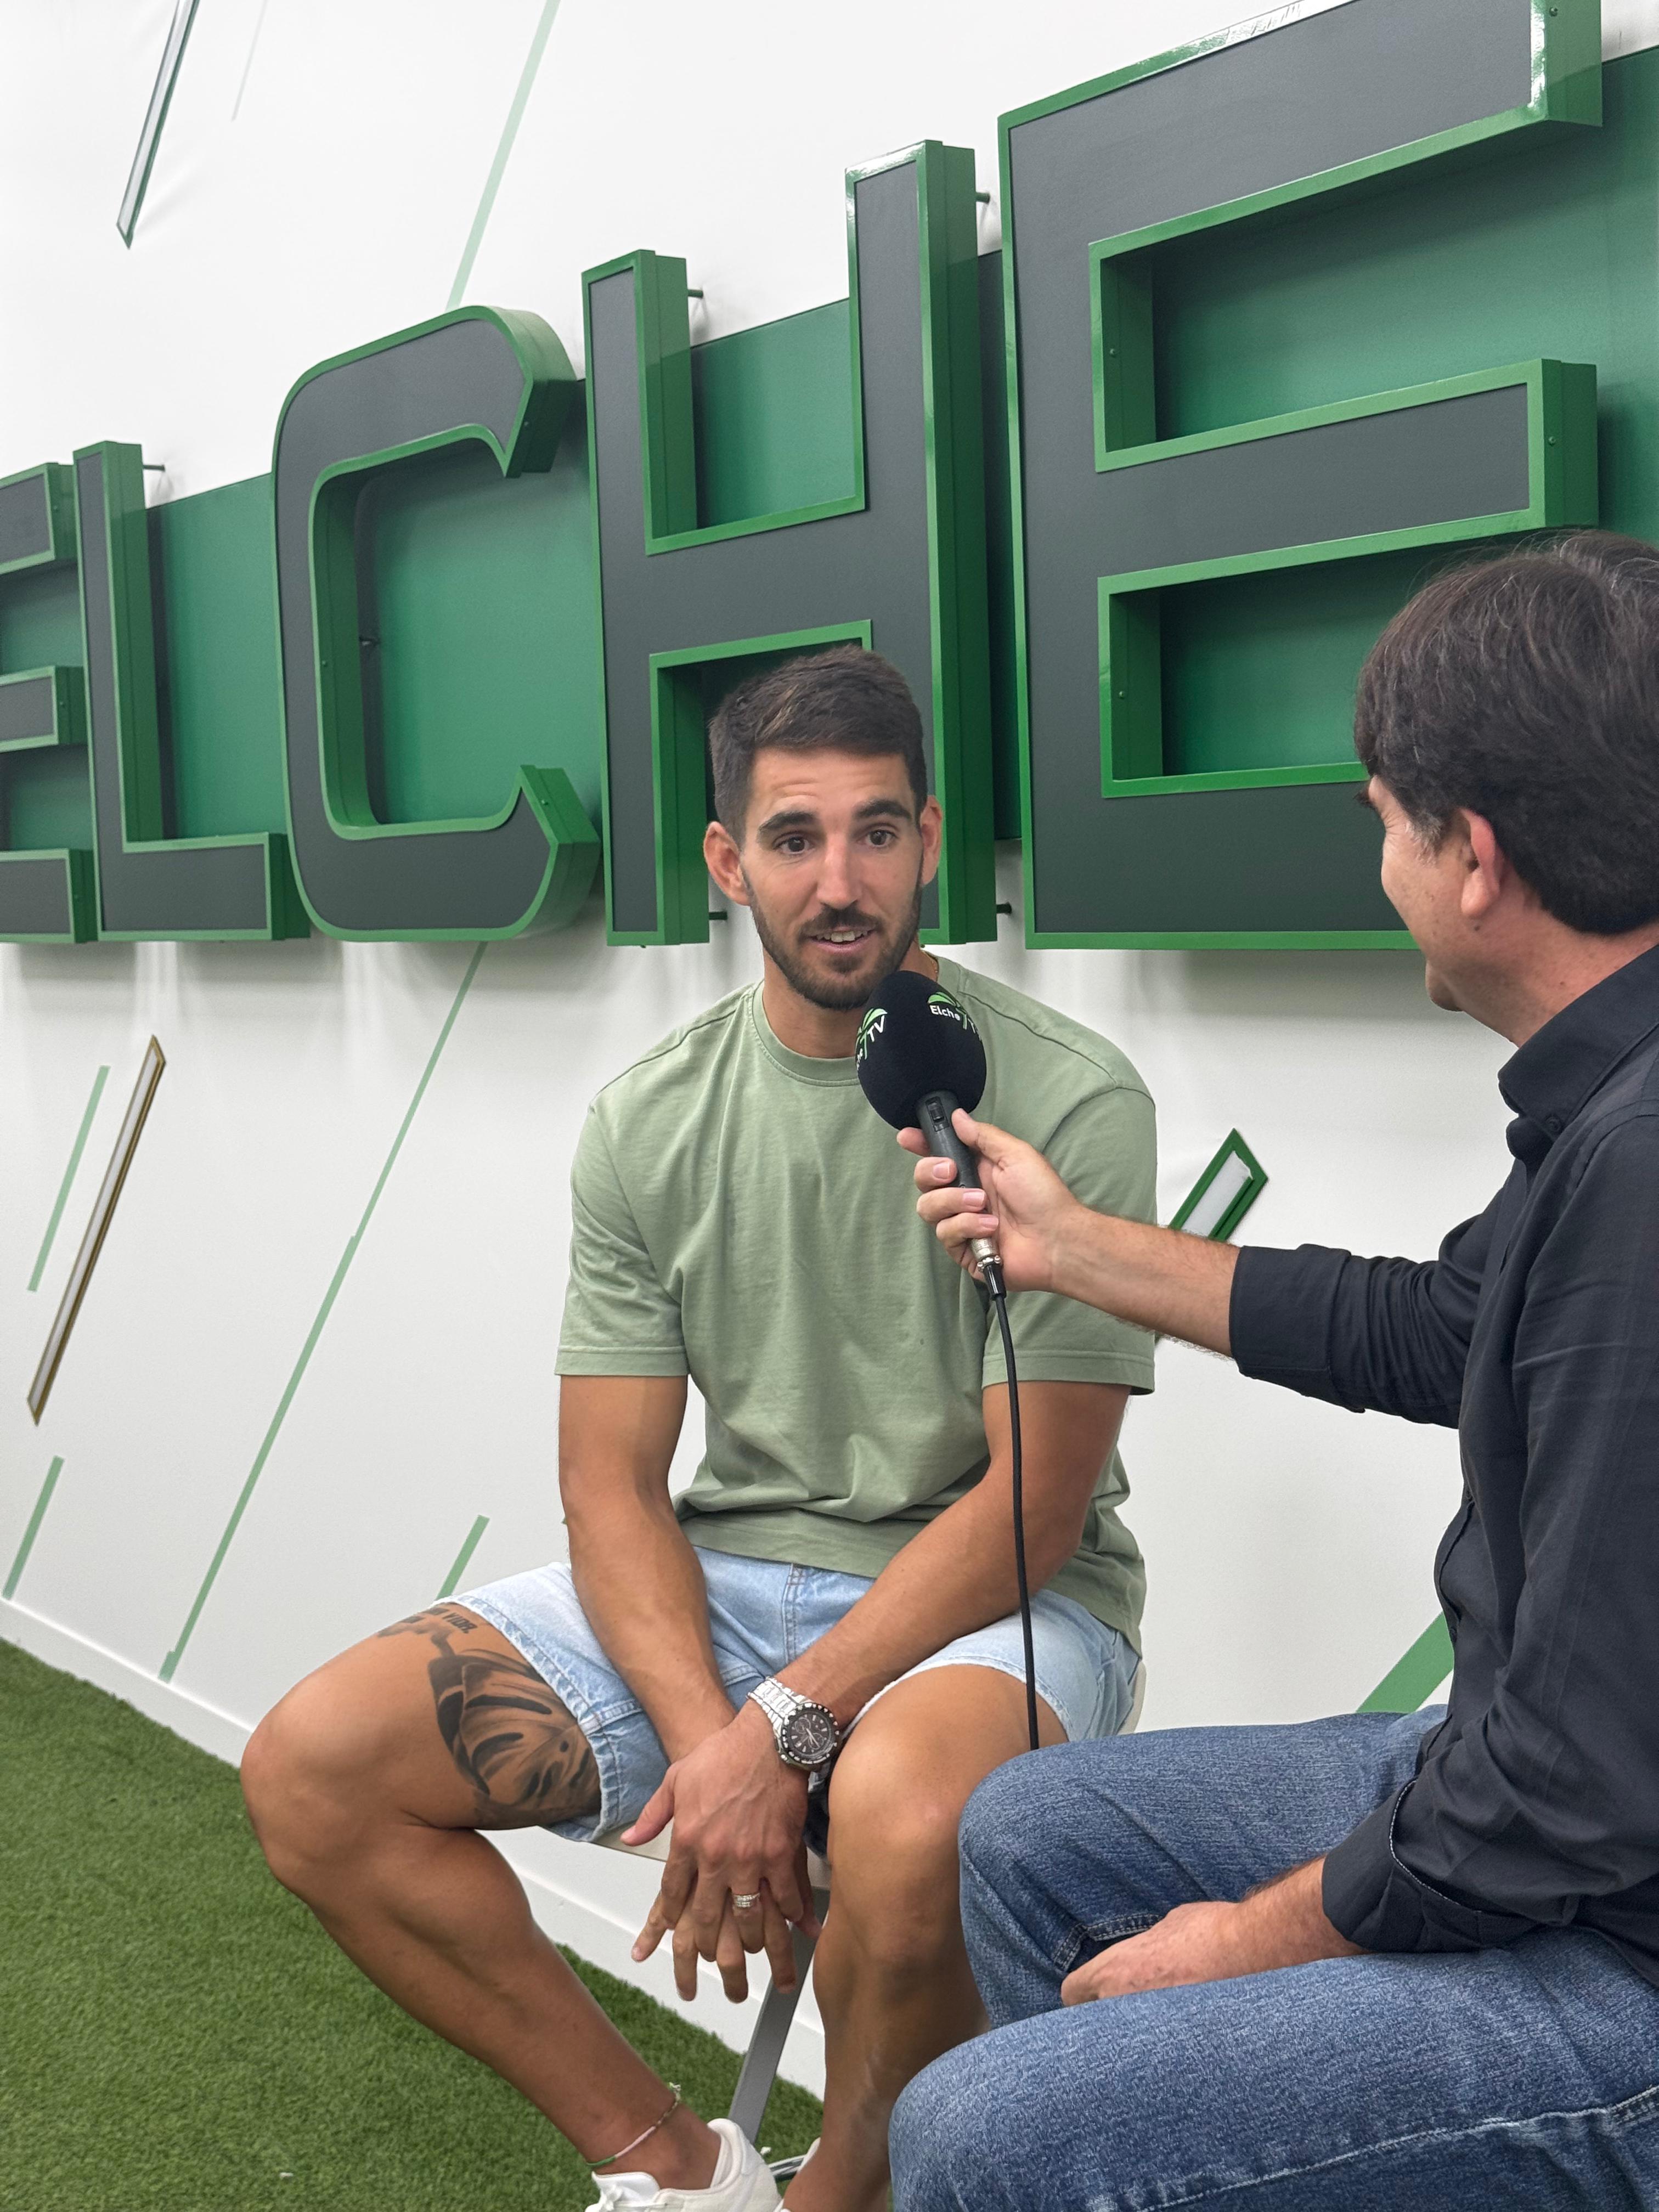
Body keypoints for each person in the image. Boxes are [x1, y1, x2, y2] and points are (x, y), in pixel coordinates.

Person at [240, 646, 1159, 2212]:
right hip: (727, 1583)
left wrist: (788, 1727)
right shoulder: (648, 1120)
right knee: (312, 1769)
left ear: (930, 840)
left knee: (909, 1819)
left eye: (878, 831)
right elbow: (608, 1487)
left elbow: (1037, 1508)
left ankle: (842, 2201)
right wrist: (711, 1751)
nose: (843, 879)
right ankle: (686, 2175)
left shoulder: (1064, 1099)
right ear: (730, 861)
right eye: (796, 838)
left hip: (1003, 1596)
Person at [888, 532, 1659, 2210]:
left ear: (1476, 859)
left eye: (1386, 821)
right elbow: (1443, 1332)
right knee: (1029, 1834)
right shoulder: (1611, 1092)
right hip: (1550, 1791)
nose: (1374, 859)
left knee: (978, 2136)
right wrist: (1072, 1242)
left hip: (1619, 1931)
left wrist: (1238, 1946)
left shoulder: (1645, 1165)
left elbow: (1565, 1800)